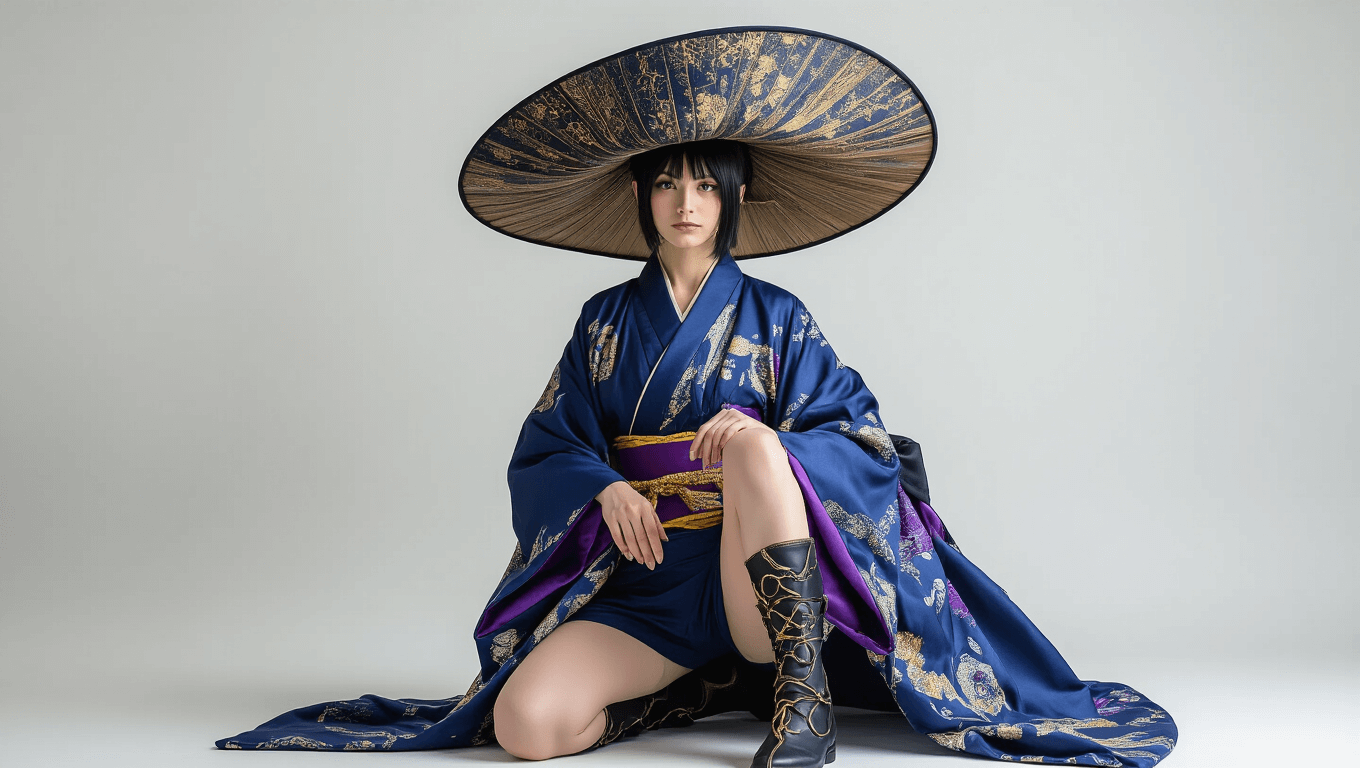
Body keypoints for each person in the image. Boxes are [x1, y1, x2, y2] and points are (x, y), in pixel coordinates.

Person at [216, 27, 1177, 767]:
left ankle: (801, 699)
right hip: (647, 585)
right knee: (527, 727)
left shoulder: (777, 315)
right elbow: (547, 444)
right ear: (642, 195)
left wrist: (761, 440)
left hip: (751, 576)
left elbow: (862, 438)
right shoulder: (603, 322)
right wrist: (603, 487)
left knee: (759, 444)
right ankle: (691, 692)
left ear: (733, 198)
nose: (686, 204)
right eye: (668, 184)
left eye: (706, 187)